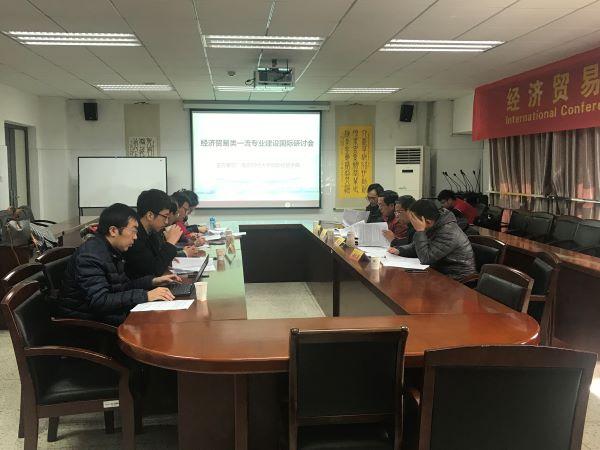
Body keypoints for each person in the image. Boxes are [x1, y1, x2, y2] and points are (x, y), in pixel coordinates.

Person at [57, 203, 180, 326]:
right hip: (88, 325)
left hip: (106, 316)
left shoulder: (110, 250)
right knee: (160, 323)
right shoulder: (90, 255)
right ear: (113, 231)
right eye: (133, 231)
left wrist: (153, 281)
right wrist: (145, 295)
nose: (135, 237)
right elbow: (100, 301)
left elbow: (122, 286)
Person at [388, 199, 476, 280]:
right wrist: (400, 250)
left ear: (428, 222)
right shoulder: (435, 224)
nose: (413, 223)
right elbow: (417, 246)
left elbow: (426, 258)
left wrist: (420, 231)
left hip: (456, 277)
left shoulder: (449, 233)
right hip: (438, 270)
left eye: (415, 221)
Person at [124, 189, 182, 279]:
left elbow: (157, 259)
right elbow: (154, 271)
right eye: (165, 216)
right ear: (150, 215)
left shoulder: (152, 232)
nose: (166, 222)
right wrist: (170, 243)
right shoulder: (134, 236)